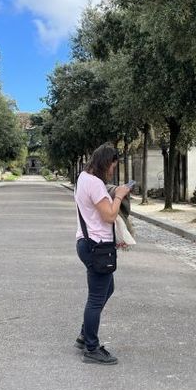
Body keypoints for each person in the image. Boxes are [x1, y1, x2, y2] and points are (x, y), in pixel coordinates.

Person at [74, 144, 131, 364]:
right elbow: (108, 216)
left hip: (88, 243)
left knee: (108, 289)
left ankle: (85, 334)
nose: (112, 171)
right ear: (106, 163)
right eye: (112, 166)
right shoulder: (96, 184)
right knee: (96, 299)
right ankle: (91, 347)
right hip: (96, 247)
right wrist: (119, 195)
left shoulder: (83, 178)